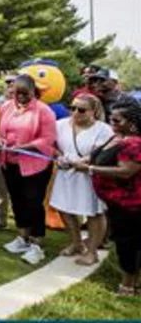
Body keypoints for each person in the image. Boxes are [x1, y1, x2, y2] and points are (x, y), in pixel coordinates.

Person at [70, 98, 141, 296]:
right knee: (125, 243)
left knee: (129, 245)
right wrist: (77, 162)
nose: (112, 123)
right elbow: (96, 155)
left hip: (132, 205)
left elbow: (126, 171)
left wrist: (90, 169)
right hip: (116, 204)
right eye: (111, 118)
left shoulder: (134, 143)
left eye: (117, 120)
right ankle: (132, 282)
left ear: (132, 123)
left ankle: (128, 286)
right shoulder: (117, 137)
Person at [0, 75, 57, 265]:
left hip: (34, 166)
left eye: (25, 94)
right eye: (17, 93)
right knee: (17, 201)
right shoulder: (6, 106)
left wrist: (26, 146)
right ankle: (22, 237)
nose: (20, 97)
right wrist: (1, 141)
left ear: (33, 92)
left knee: (33, 202)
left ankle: (37, 243)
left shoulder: (43, 111)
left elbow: (47, 139)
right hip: (10, 162)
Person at [50, 94, 113, 265]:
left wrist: (82, 162)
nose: (75, 112)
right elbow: (51, 145)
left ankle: (92, 251)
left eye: (81, 109)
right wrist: (59, 156)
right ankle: (76, 243)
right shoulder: (60, 125)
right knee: (63, 208)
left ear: (94, 111)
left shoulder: (104, 129)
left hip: (89, 176)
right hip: (65, 174)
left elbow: (102, 153)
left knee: (94, 212)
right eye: (72, 108)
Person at [0, 72, 17, 228]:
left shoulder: (26, 103)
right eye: (7, 83)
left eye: (13, 82)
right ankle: (0, 218)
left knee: (18, 189)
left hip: (20, 153)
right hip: (0, 151)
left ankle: (21, 219)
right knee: (0, 187)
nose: (10, 86)